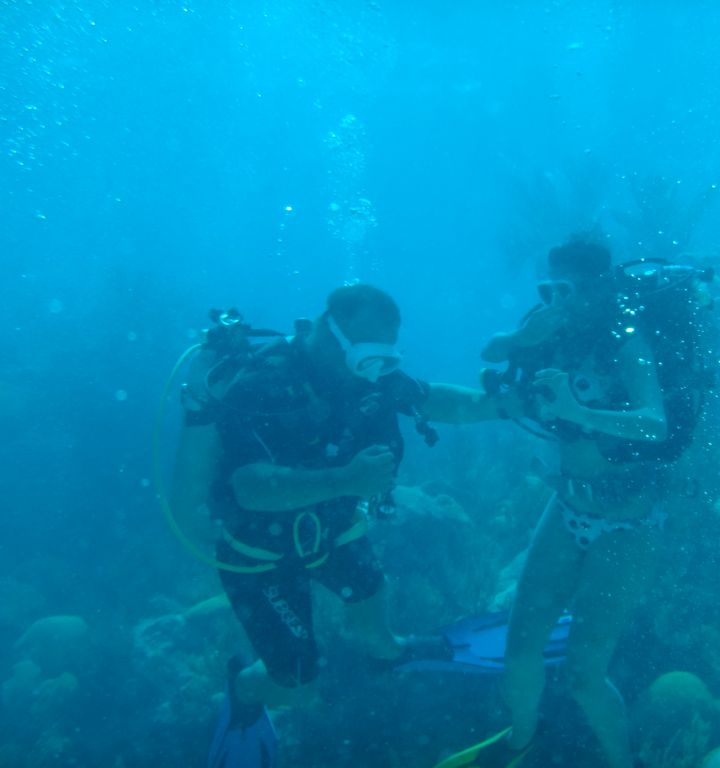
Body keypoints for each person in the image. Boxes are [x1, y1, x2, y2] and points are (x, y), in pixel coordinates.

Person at [171, 284, 518, 767]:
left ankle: (387, 651)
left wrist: (503, 405)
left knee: (375, 615)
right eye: (366, 351)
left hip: (334, 530)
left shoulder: (372, 375)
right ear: (327, 330)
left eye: (386, 355)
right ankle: (245, 686)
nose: (375, 367)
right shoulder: (265, 384)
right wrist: (347, 480)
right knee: (298, 688)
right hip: (261, 555)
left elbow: (431, 399)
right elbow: (249, 487)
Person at [440, 239, 674, 768]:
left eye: (568, 290)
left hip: (629, 520)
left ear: (599, 288)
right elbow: (491, 353)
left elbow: (654, 424)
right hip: (567, 507)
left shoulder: (627, 340)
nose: (557, 301)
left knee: (584, 677)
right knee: (520, 651)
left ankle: (623, 762)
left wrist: (578, 411)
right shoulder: (547, 330)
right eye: (549, 289)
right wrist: (520, 337)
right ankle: (521, 740)